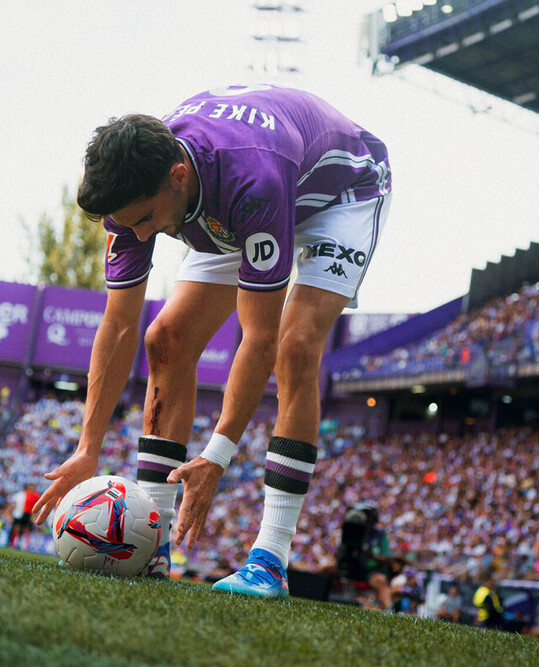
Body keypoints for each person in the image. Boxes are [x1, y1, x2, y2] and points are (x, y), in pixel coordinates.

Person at [32, 84, 391, 597]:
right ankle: (151, 546)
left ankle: (270, 562)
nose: (137, 237)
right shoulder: (133, 196)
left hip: (340, 193)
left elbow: (259, 338)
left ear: (177, 176)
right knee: (167, 339)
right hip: (224, 206)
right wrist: (89, 448)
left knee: (295, 345)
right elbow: (118, 327)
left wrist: (217, 454)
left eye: (145, 222)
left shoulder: (253, 180)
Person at [9, 483, 41, 550]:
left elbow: (37, 507)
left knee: (27, 529)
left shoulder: (36, 495)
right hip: (20, 513)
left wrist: (34, 516)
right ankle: (13, 543)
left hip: (29, 514)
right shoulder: (22, 494)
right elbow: (14, 504)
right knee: (17, 528)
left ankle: (25, 545)